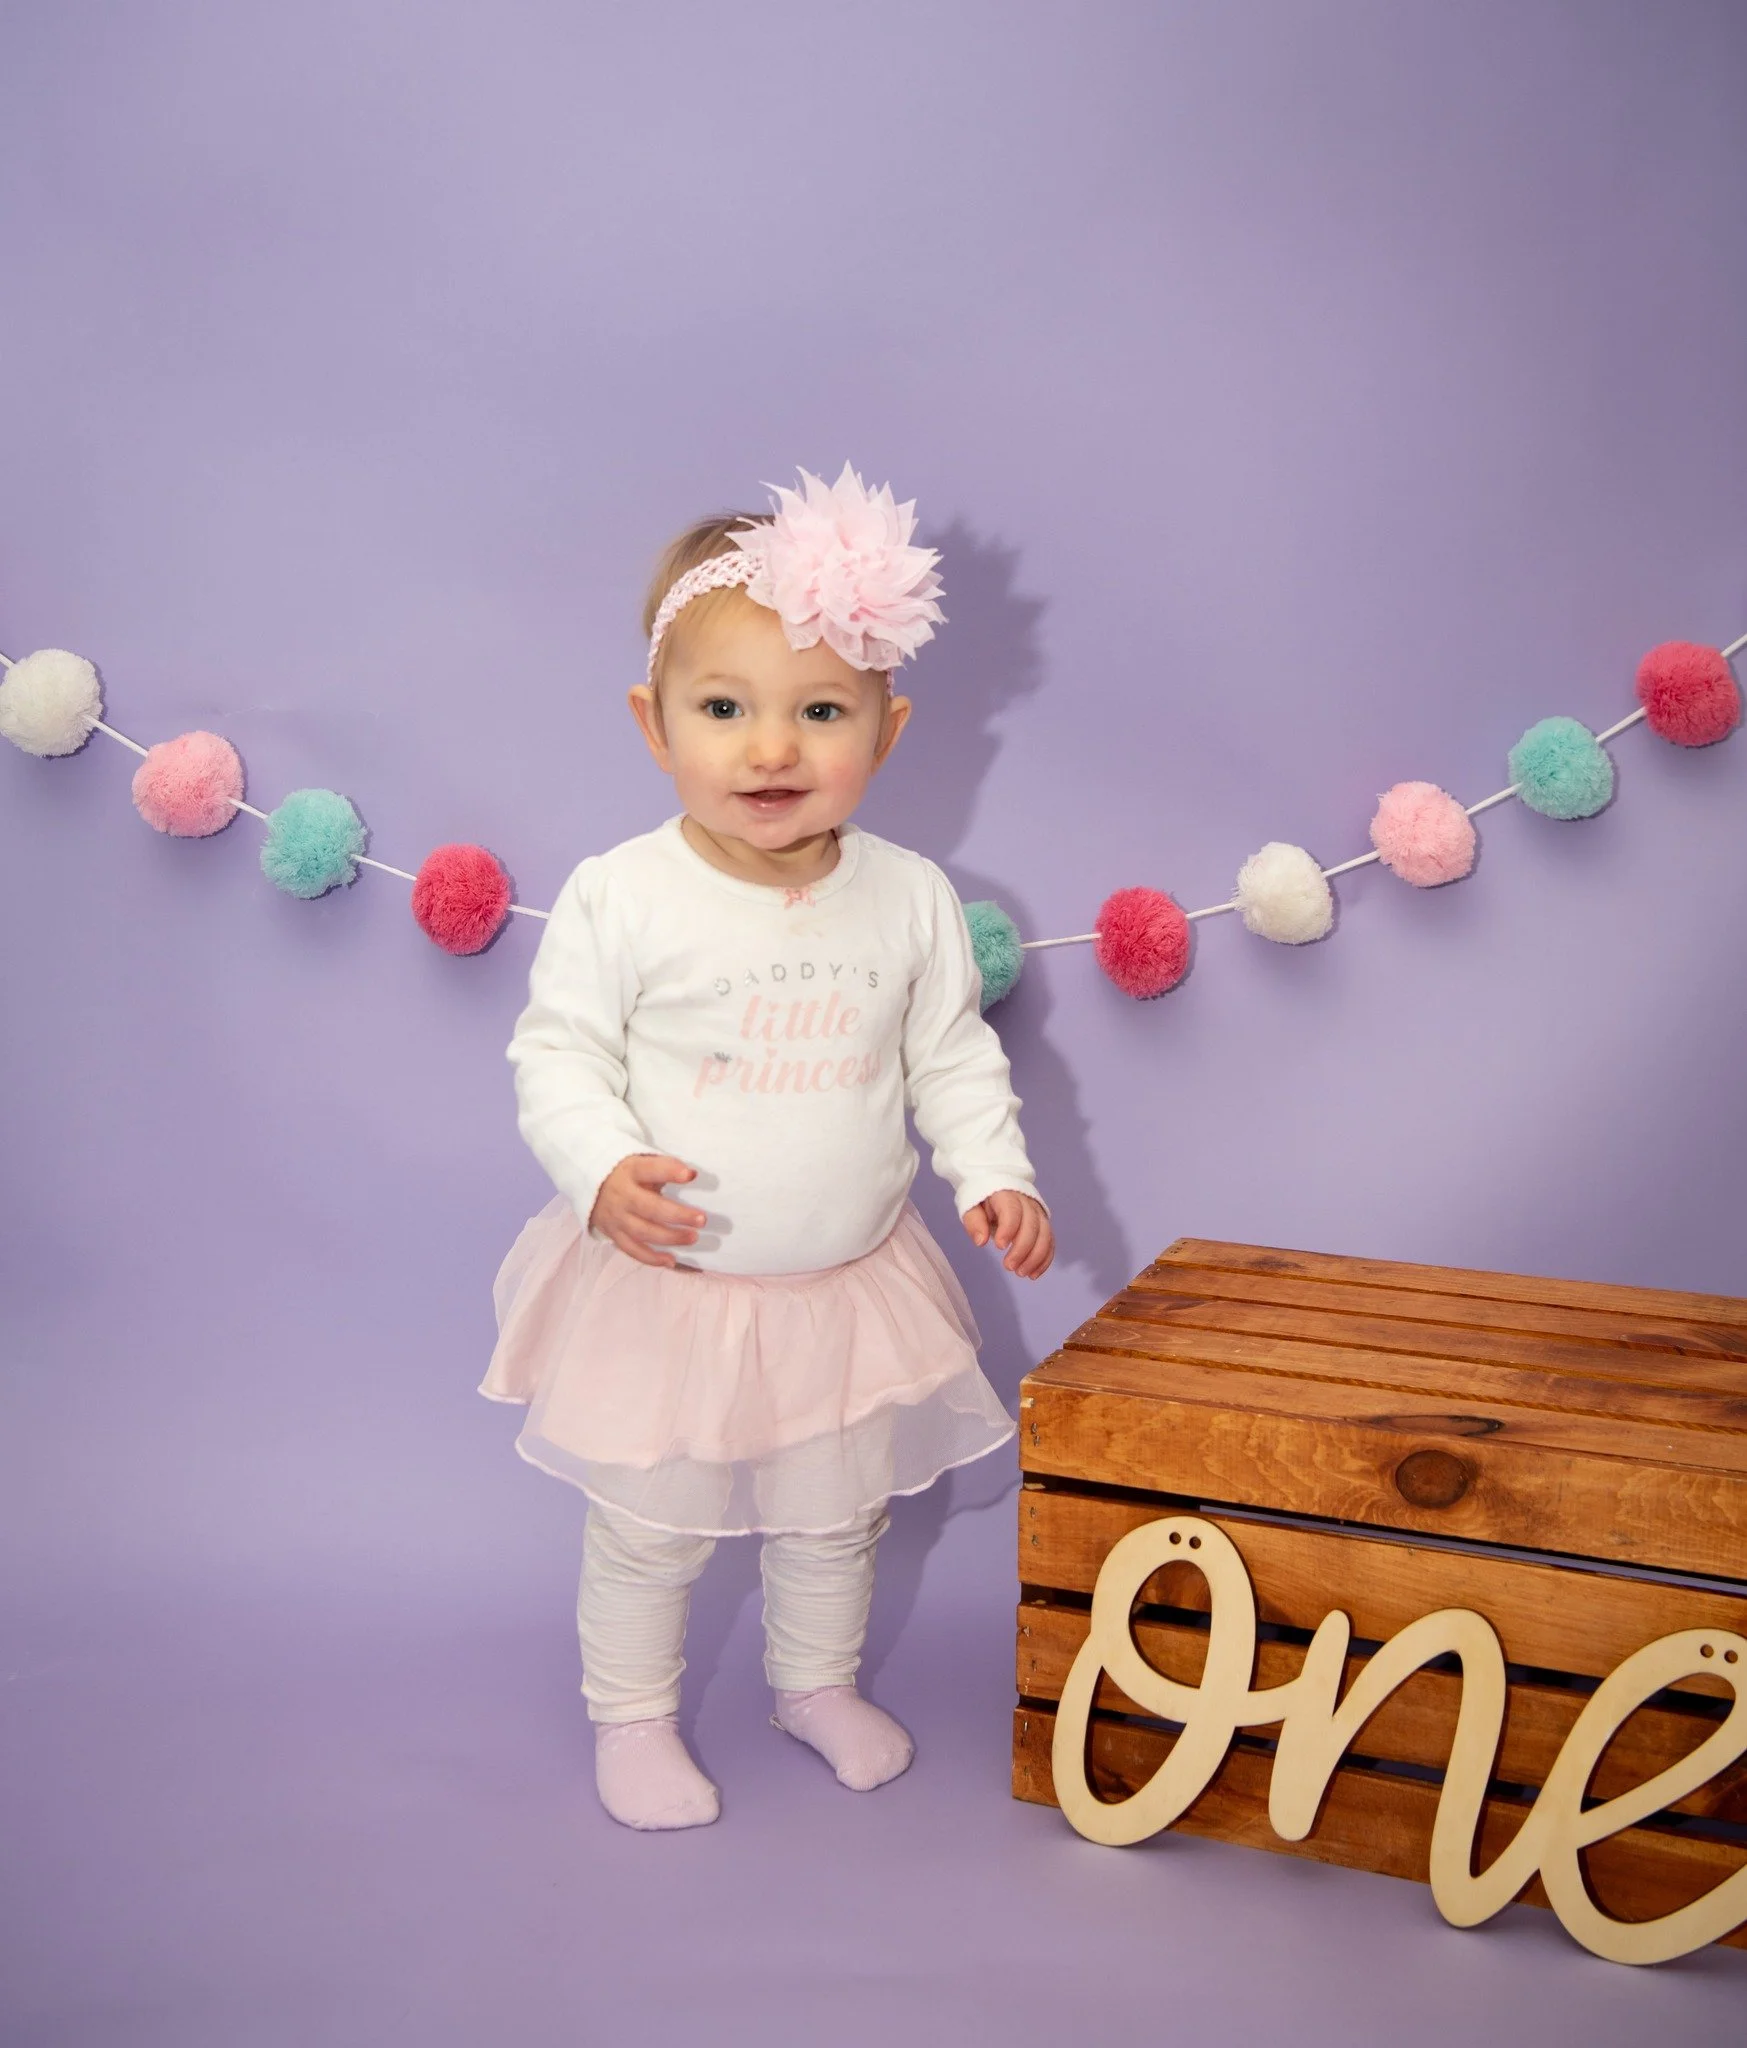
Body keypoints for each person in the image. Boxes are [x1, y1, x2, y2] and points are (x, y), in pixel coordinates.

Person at [481, 464, 1053, 1830]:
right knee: (653, 1526)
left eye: (819, 711)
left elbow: (949, 1056)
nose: (769, 749)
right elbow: (556, 1055)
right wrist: (601, 1168)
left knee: (832, 1517)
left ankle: (814, 1684)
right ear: (654, 720)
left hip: (844, 1290)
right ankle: (629, 1717)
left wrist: (996, 1172)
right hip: (670, 1291)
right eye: (722, 709)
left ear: (887, 726)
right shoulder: (624, 896)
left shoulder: (912, 900)